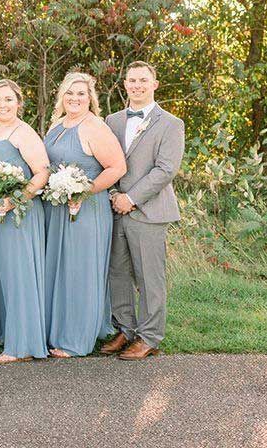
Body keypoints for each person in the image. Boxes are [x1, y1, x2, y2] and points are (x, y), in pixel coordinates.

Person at [101, 61, 184, 361]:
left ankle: (149, 337)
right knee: (117, 273)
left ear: (154, 84)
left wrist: (131, 198)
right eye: (132, 80)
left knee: (150, 277)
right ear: (124, 84)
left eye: (143, 80)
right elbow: (104, 162)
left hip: (149, 211)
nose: (137, 85)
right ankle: (125, 328)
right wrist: (113, 194)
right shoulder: (112, 120)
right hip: (114, 208)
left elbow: (165, 170)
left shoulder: (171, 124)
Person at [43, 71, 126, 358]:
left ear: (90, 98)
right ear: (61, 97)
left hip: (86, 210)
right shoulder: (57, 126)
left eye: (81, 94)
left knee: (80, 271)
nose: (75, 98)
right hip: (56, 209)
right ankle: (55, 331)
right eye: (69, 93)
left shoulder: (94, 127)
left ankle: (76, 339)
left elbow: (117, 168)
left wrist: (84, 190)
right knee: (58, 270)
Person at [0, 79, 50, 364]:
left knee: (19, 274)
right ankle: (4, 330)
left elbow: (42, 172)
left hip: (18, 213)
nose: (2, 105)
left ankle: (22, 345)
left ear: (19, 102)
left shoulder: (24, 132)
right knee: (0, 273)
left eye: (8, 100)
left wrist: (15, 199)